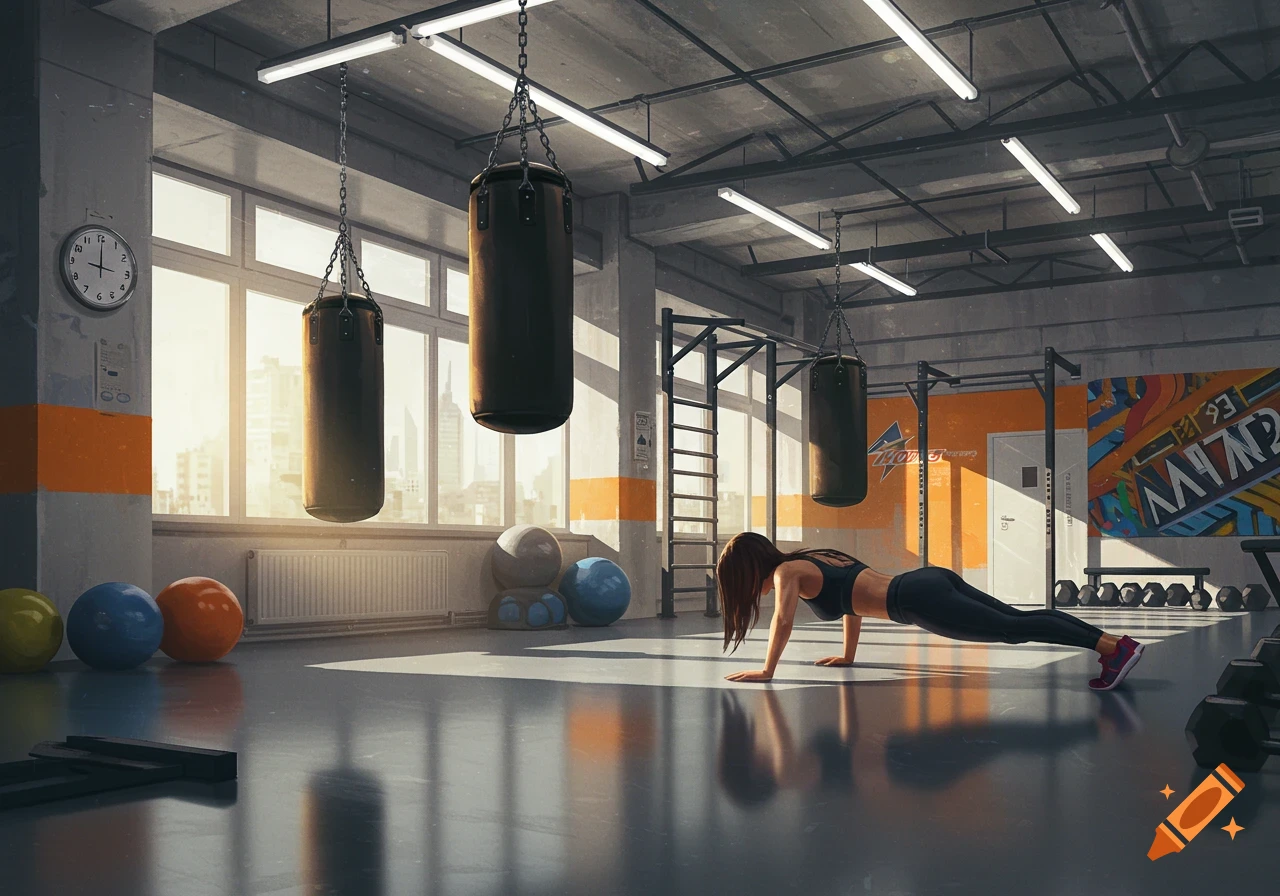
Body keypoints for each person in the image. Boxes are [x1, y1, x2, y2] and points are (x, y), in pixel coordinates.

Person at [716, 532, 1142, 691]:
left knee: (1014, 628)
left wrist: (768, 670)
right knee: (1018, 619)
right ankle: (1111, 646)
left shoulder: (786, 573)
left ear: (752, 568)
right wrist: (848, 656)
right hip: (927, 580)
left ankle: (1113, 648)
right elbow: (850, 604)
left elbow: (783, 620)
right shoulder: (814, 558)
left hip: (916, 602)